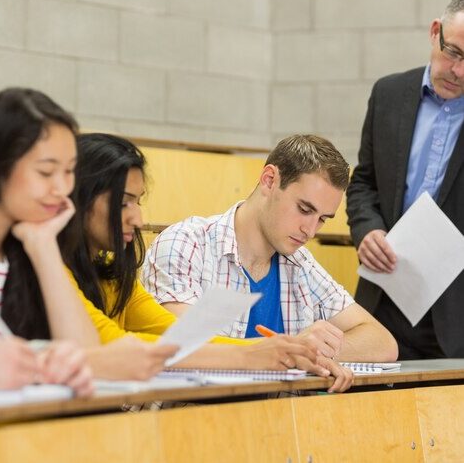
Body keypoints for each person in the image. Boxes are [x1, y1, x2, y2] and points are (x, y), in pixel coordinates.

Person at [65, 133, 352, 392]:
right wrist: (263, 354)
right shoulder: (56, 271)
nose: (138, 219)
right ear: (79, 197)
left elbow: (181, 340)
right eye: (123, 203)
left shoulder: (114, 279)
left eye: (138, 202)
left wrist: (286, 351)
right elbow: (111, 347)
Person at [142, 134, 398, 363]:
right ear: (269, 180)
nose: (310, 231)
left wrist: (312, 352)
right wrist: (291, 349)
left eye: (322, 219)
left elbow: (383, 343)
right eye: (304, 209)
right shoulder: (184, 244)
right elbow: (184, 345)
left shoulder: (301, 263)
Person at [346, 0, 464, 360]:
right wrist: (367, 231)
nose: (459, 71)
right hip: (382, 298)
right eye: (454, 53)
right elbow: (363, 183)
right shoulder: (388, 94)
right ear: (434, 31)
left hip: (454, 315)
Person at [0, 87, 96, 394]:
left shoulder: (26, 251)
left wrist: (44, 246)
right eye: (46, 172)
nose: (62, 188)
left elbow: (87, 359)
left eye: (69, 171)